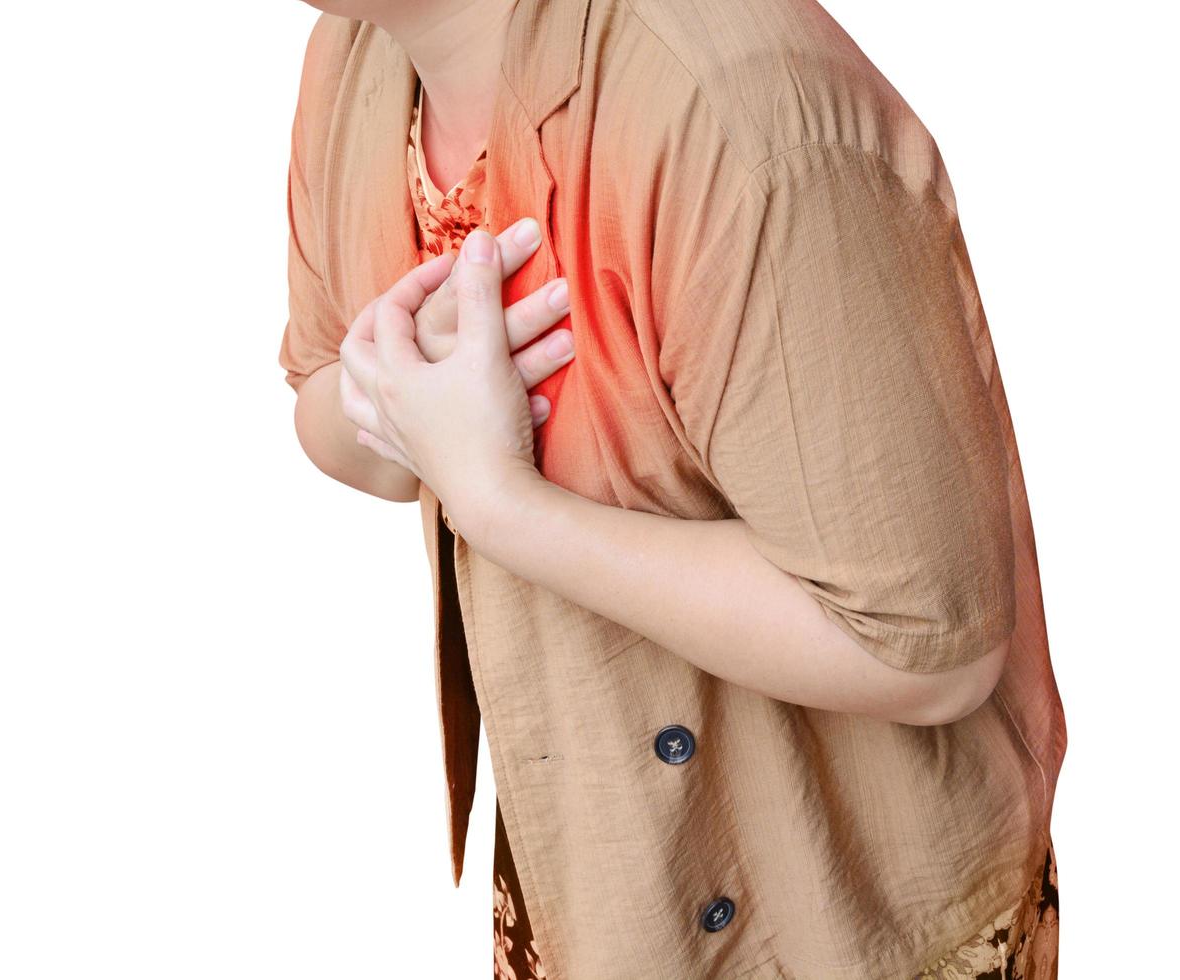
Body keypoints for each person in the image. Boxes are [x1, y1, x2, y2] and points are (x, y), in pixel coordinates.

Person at [276, 0, 1066, 976]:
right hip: (598, 893)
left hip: (836, 921)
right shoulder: (357, 53)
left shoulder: (744, 124)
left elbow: (923, 649)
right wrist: (410, 385)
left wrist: (499, 503)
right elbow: (320, 393)